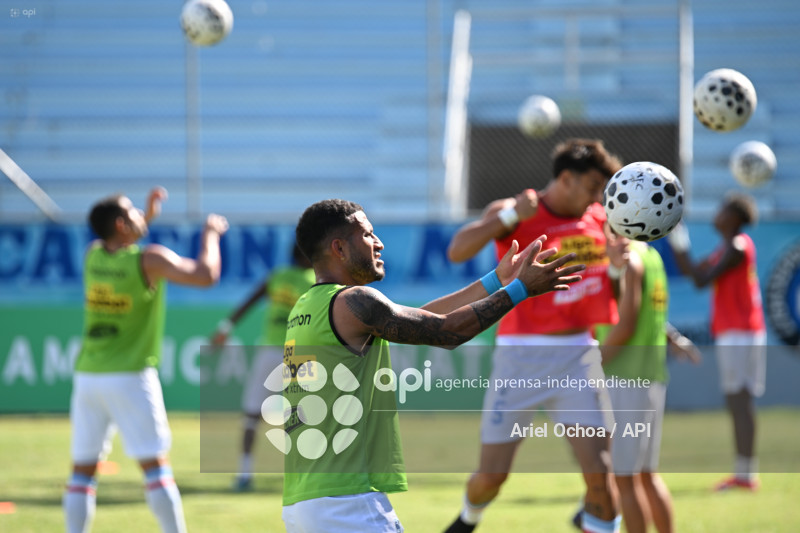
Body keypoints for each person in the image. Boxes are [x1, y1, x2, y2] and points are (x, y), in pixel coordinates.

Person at [280, 198, 585, 533]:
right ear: (339, 248)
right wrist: (520, 289)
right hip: (346, 503)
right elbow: (448, 331)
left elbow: (425, 318)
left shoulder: (307, 306)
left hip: (303, 502)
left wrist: (496, 280)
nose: (379, 243)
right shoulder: (354, 301)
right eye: (367, 234)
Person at [443, 138, 624, 533]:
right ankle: (468, 518)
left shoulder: (599, 219)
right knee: (492, 477)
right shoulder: (516, 211)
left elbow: (614, 297)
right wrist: (510, 216)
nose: (598, 197)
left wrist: (615, 269)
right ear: (566, 178)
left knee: (601, 472)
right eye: (593, 186)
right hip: (519, 358)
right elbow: (457, 250)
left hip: (578, 354)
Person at [64, 187, 229, 533]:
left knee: (82, 472)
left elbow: (121, 242)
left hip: (88, 375)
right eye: (134, 212)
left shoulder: (93, 255)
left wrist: (148, 216)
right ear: (121, 224)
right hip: (130, 376)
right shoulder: (148, 260)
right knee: (155, 468)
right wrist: (211, 234)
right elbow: (206, 275)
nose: (141, 215)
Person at [594, 225, 700, 533]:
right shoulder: (651, 254)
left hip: (624, 378)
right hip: (649, 376)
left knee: (624, 479)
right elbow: (649, 315)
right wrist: (674, 338)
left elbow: (626, 326)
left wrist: (589, 366)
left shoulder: (629, 259)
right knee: (646, 475)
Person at [667, 192, 766, 491]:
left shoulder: (736, 247)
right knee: (739, 401)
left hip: (740, 332)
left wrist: (680, 241)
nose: (717, 214)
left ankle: (745, 476)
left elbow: (702, 280)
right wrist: (678, 239)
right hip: (738, 332)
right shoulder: (727, 248)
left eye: (723, 210)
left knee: (739, 401)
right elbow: (695, 274)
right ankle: (744, 474)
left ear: (734, 218)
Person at [209, 242, 315, 491]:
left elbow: (249, 301)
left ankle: (244, 473)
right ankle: (304, 476)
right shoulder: (314, 282)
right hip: (299, 353)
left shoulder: (277, 276)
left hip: (269, 352)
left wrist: (226, 327)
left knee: (251, 414)